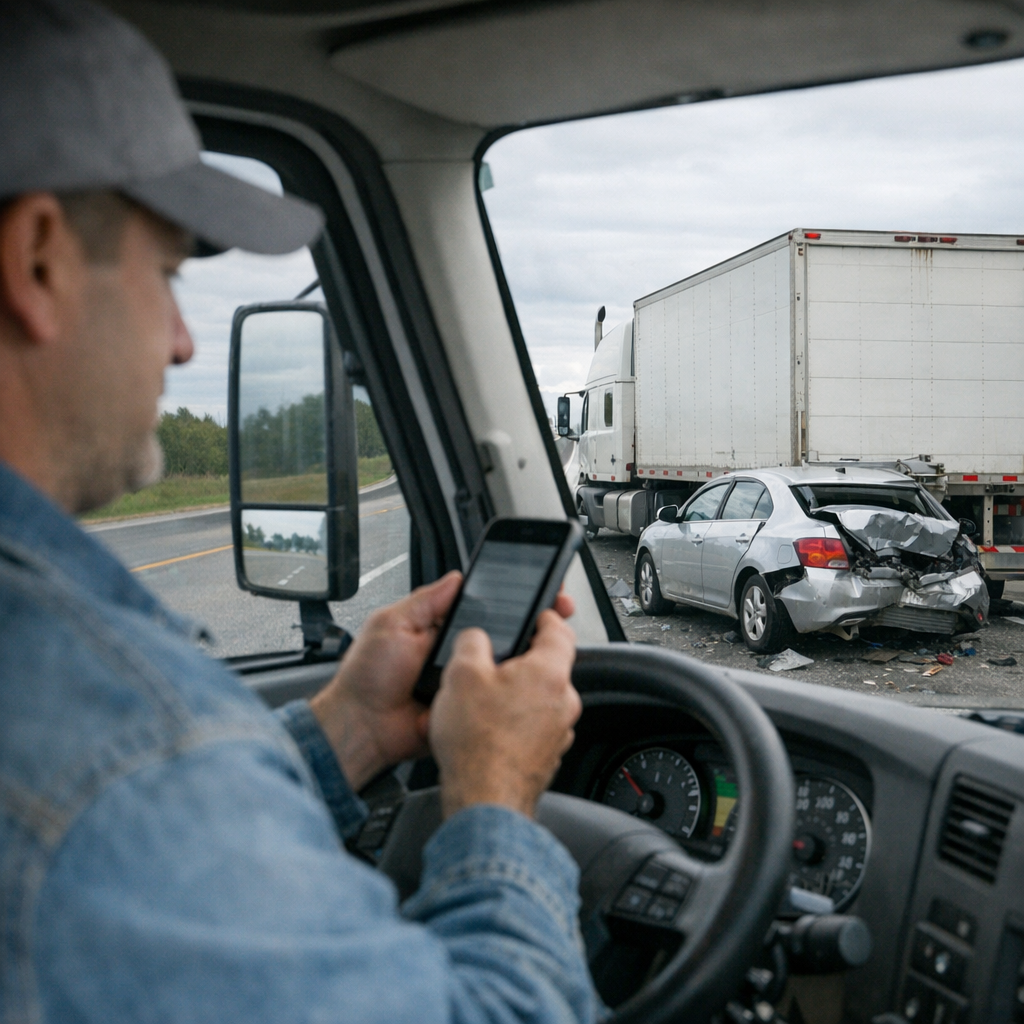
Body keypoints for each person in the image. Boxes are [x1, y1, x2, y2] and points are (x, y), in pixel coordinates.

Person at [0, 3, 596, 1022]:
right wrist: (494, 788)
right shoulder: (103, 727)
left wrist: (351, 728)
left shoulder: (112, 753)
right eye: (171, 277)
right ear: (41, 259)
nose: (185, 342)